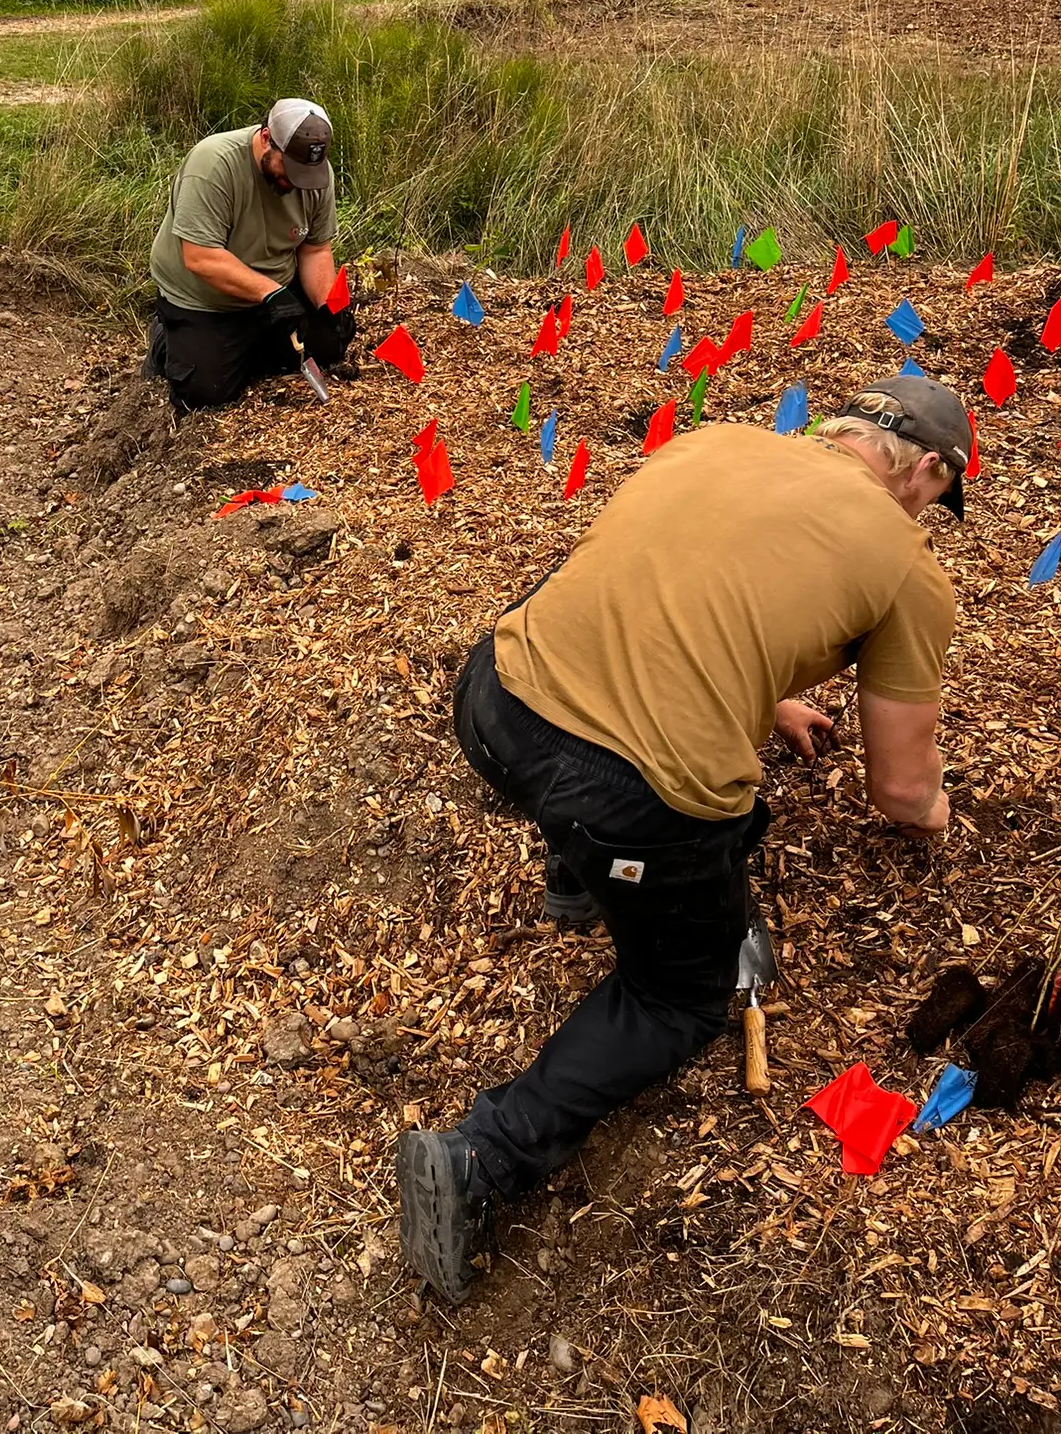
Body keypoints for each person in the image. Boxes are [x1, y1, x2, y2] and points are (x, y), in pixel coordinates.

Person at [398, 374, 971, 1302]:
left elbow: (663, 583)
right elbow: (902, 789)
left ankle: (577, 882)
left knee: (698, 805)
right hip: (616, 788)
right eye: (943, 498)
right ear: (929, 472)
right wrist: (938, 812)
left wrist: (766, 690)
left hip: (495, 698)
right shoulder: (907, 564)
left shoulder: (722, 441)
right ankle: (482, 1157)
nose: (934, 517)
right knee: (684, 994)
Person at [146, 100, 356, 410]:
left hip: (274, 289)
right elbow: (201, 258)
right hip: (207, 299)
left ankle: (246, 347)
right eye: (290, 168)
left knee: (330, 344)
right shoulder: (214, 164)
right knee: (206, 392)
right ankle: (167, 337)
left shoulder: (314, 174)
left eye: (306, 173)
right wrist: (272, 294)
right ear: (266, 138)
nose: (297, 181)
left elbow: (315, 250)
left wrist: (328, 305)